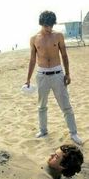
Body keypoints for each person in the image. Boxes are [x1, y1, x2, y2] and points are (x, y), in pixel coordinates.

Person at [25, 10, 82, 145]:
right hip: (42, 75)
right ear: (41, 24)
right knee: (41, 105)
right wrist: (28, 78)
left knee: (65, 105)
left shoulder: (58, 36)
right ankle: (43, 130)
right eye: (46, 26)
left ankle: (73, 133)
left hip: (57, 74)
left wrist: (67, 74)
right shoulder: (34, 38)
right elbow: (32, 60)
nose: (49, 28)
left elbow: (64, 56)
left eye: (51, 25)